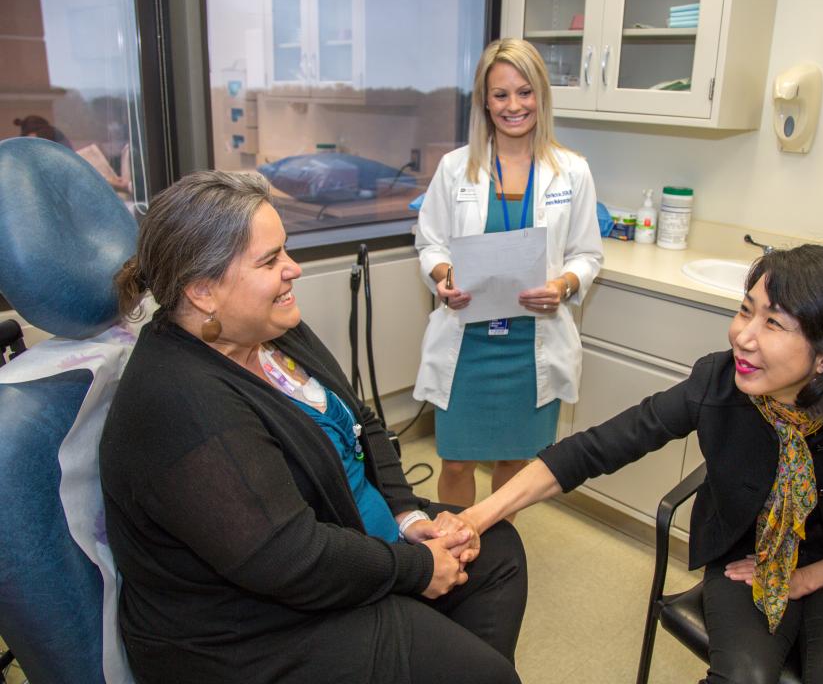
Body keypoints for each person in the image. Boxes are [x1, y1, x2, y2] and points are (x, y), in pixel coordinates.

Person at [100, 171, 526, 684]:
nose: (293, 270)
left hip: (338, 541)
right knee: (479, 674)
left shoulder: (272, 328)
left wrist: (408, 517)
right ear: (202, 290)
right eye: (270, 260)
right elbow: (288, 558)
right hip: (249, 632)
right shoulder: (179, 402)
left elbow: (365, 423)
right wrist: (415, 568)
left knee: (496, 548)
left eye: (286, 250)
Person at [460, 244, 823, 684]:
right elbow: (594, 448)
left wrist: (808, 577)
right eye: (744, 311)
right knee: (741, 677)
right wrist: (477, 519)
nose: (742, 337)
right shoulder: (718, 381)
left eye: (772, 324)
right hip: (745, 555)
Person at [414, 38, 603, 507]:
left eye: (525, 92)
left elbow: (587, 254)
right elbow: (430, 242)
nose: (514, 106)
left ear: (541, 95)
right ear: (485, 100)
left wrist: (563, 285)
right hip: (469, 342)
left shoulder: (572, 172)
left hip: (530, 345)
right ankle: (457, 551)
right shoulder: (455, 168)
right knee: (455, 460)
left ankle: (496, 554)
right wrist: (443, 276)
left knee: (514, 463)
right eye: (501, 94)